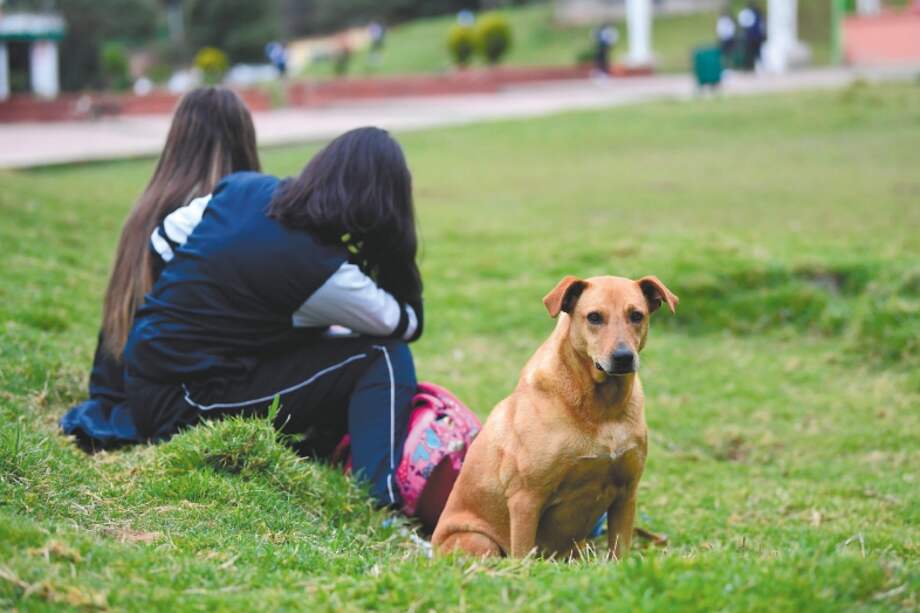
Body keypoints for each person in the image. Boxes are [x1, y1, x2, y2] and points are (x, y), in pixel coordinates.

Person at [120, 127, 424, 508]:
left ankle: (331, 447)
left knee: (320, 336)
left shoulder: (243, 189)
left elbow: (163, 240)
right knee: (382, 356)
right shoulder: (325, 273)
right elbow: (405, 324)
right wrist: (397, 251)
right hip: (185, 402)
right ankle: (380, 506)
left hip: (144, 378)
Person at [60, 87, 261, 451]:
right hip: (176, 387)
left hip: (123, 374)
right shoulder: (218, 220)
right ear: (243, 140)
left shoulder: (146, 208)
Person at [738, 2, 765, 70]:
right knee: (757, 52)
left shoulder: (748, 13)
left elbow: (744, 24)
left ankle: (750, 66)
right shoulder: (758, 14)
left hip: (750, 36)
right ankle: (757, 66)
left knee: (750, 52)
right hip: (757, 36)